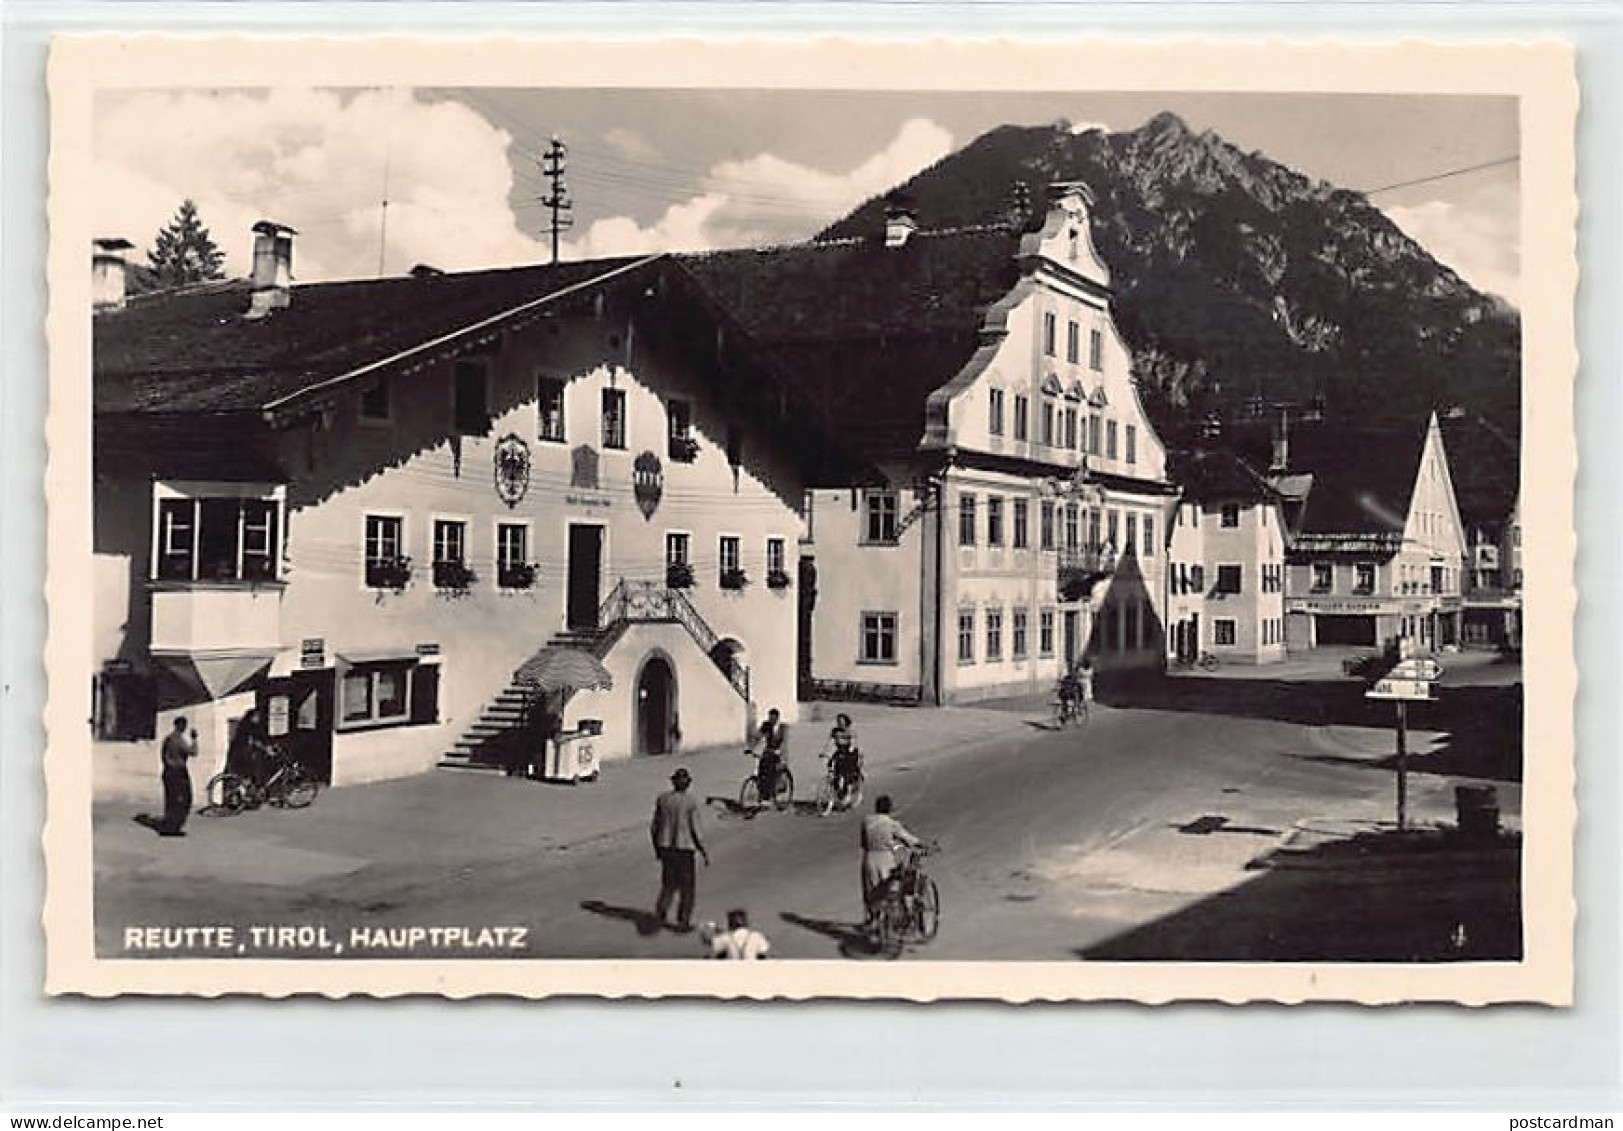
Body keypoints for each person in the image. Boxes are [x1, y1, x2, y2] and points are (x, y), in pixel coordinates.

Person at [650, 767, 709, 932]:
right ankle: (683, 921)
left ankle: (661, 910)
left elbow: (654, 826)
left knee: (668, 883)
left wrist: (657, 848)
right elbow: (695, 829)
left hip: (666, 847)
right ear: (688, 784)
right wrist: (703, 850)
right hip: (684, 849)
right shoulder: (691, 802)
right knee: (687, 887)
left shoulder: (663, 799)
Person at [860, 794, 923, 926]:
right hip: (885, 860)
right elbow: (908, 839)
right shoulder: (891, 824)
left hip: (869, 859)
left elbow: (863, 844)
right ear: (889, 809)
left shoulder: (866, 822)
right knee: (891, 891)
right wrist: (919, 843)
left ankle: (873, 918)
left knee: (872, 893)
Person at [157, 716, 198, 836]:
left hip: (168, 771)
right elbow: (193, 752)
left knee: (171, 799)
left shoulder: (168, 739)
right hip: (178, 771)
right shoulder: (179, 740)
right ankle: (174, 826)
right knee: (182, 799)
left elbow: (163, 756)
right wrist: (194, 739)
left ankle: (169, 824)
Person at [746, 707, 788, 804]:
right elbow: (758, 737)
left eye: (773, 718)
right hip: (768, 751)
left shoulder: (783, 728)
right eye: (770, 718)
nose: (771, 720)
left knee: (771, 771)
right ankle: (762, 792)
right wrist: (751, 748)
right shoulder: (766, 725)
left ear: (777, 718)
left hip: (778, 753)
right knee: (761, 769)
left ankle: (771, 793)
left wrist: (779, 751)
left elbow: (784, 742)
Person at [823, 712, 863, 806]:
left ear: (846, 722)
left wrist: (850, 749)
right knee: (833, 768)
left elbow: (853, 743)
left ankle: (848, 791)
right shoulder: (835, 731)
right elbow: (829, 742)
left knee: (847, 772)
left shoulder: (850, 731)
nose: (839, 723)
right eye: (838, 721)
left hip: (851, 753)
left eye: (841, 721)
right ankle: (837, 788)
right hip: (840, 751)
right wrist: (825, 752)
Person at [703, 909, 771, 960]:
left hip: (733, 971)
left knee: (719, 955)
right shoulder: (756, 935)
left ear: (731, 924)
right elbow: (763, 950)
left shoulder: (726, 937)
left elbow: (709, 943)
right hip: (752, 970)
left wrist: (702, 931)